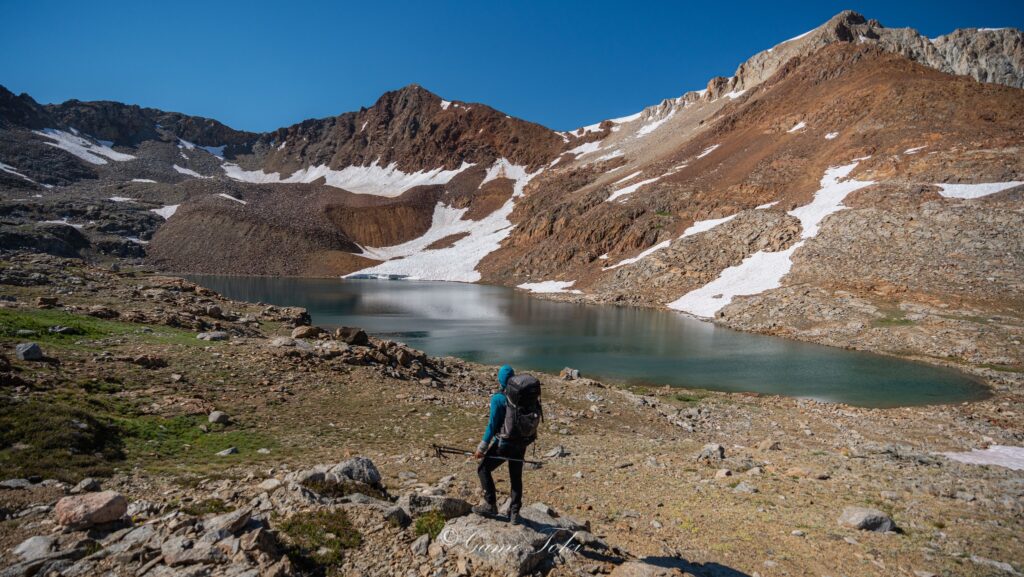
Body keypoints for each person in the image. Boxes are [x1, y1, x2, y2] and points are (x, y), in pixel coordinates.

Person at [472, 364, 529, 523]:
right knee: (516, 477)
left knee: (483, 468)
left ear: (500, 379)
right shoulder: (522, 396)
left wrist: (481, 448)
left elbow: (492, 426)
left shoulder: (498, 398)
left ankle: (490, 505)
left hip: (504, 444)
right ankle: (515, 513)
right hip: (522, 443)